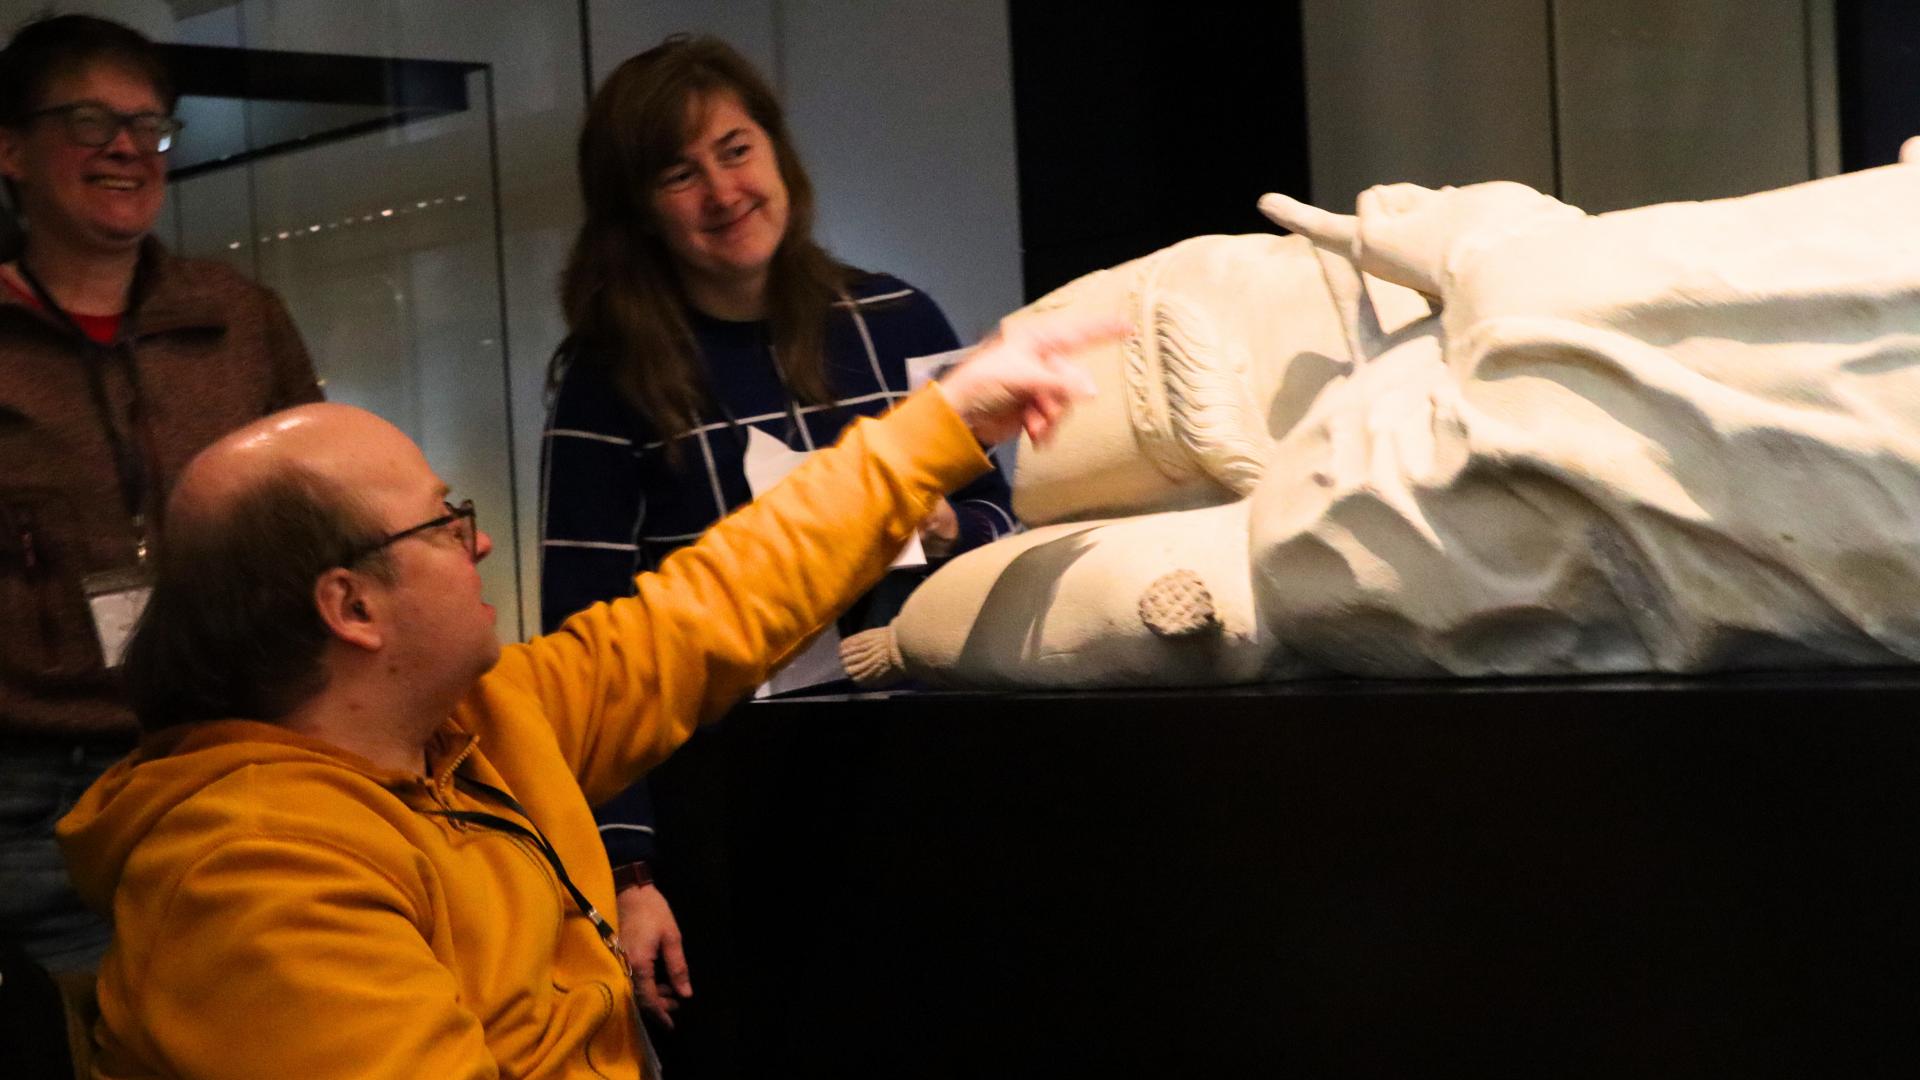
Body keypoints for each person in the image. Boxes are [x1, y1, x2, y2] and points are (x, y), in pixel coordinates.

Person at [54, 312, 1118, 1079]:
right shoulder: (255, 881)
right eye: (441, 521)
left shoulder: (469, 725)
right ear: (350, 606)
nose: (475, 541)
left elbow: (716, 602)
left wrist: (948, 419)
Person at [541, 34, 1017, 1028]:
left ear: (778, 154)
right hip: (727, 800)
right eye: (680, 172)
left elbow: (1000, 522)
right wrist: (626, 871)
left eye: (735, 149)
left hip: (922, 756)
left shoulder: (898, 312)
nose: (722, 190)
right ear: (637, 209)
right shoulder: (606, 376)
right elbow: (583, 645)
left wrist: (938, 526)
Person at [0, 13, 319, 976]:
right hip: (32, 790)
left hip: (226, 760)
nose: (128, 149)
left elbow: (319, 512)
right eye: (91, 120)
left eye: (150, 126)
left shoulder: (236, 318)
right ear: (10, 150)